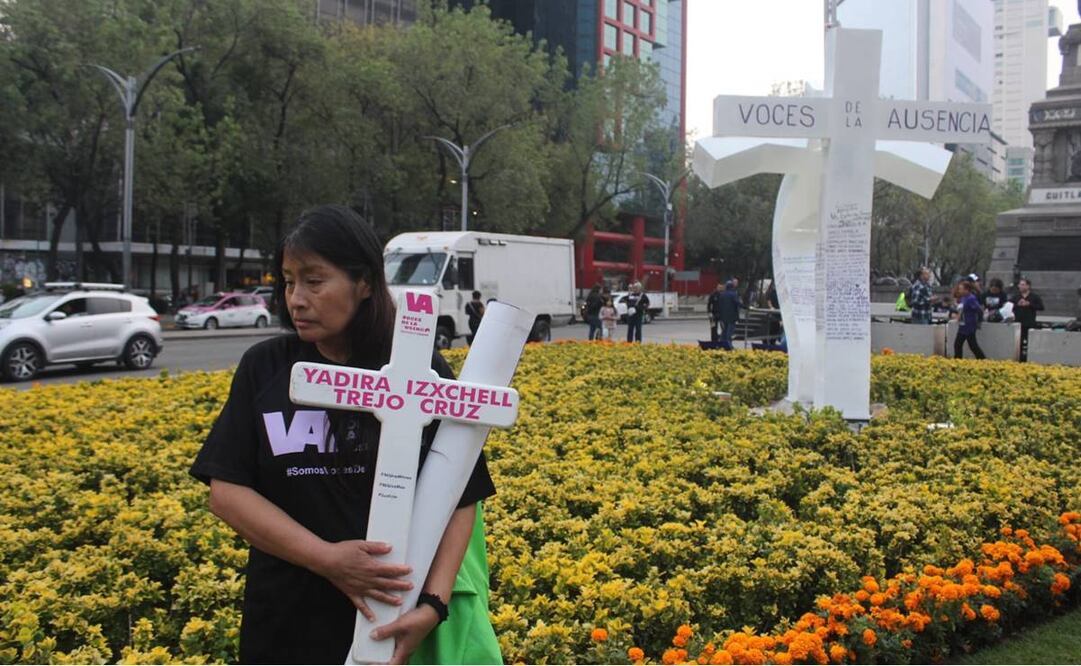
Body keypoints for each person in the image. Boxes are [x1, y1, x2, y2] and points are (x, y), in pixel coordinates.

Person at [190, 205, 499, 664]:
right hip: (285, 622)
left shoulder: (416, 369)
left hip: (391, 623)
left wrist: (434, 605)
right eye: (289, 281)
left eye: (314, 281)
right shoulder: (266, 368)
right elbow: (227, 492)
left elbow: (462, 494)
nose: (296, 298)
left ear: (365, 283)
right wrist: (328, 559)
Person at [1010, 278, 1045, 361]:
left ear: (1028, 286)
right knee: (1019, 342)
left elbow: (1041, 307)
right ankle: (1019, 359)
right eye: (1020, 284)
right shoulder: (1016, 297)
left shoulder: (1034, 297)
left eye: (1023, 284)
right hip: (1018, 323)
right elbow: (1009, 306)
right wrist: (1017, 305)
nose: (1020, 286)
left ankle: (1029, 358)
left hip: (1029, 322)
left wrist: (1029, 304)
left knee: (1029, 342)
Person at [953, 280, 985, 360]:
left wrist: (979, 321)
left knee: (972, 345)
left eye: (961, 289)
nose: (959, 290)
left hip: (969, 325)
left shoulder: (971, 298)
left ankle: (982, 359)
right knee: (959, 344)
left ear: (966, 290)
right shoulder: (964, 298)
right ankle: (958, 360)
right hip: (963, 325)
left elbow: (979, 310)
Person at [716, 281, 743, 350]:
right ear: (732, 287)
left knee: (724, 331)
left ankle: (721, 344)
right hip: (732, 317)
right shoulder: (733, 294)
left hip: (723, 316)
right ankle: (729, 345)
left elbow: (719, 305)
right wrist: (746, 307)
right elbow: (737, 303)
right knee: (729, 332)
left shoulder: (722, 294)